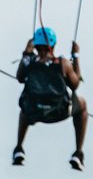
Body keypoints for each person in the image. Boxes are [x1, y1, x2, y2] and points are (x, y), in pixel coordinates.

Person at [12, 26, 87, 171]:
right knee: (82, 105)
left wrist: (27, 53)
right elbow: (75, 84)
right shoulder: (62, 64)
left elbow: (20, 78)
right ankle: (78, 153)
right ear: (53, 45)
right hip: (59, 111)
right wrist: (75, 57)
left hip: (34, 112)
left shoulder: (30, 61)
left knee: (24, 107)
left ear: (36, 45)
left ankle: (19, 147)